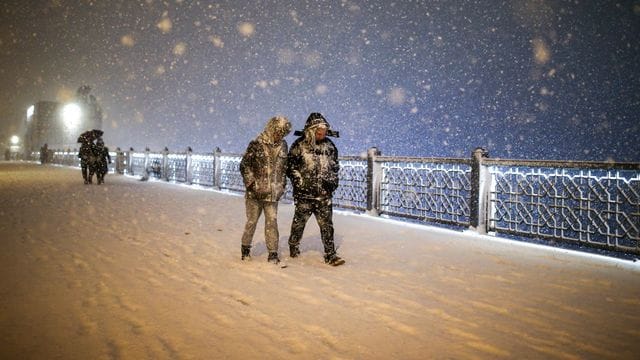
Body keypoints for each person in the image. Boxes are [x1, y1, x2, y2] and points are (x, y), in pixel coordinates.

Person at [287, 112, 345, 266]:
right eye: (319, 131)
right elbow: (291, 168)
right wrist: (299, 183)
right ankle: (293, 246)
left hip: (323, 195)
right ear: (311, 130)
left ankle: (330, 254)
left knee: (327, 226)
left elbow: (334, 168)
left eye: (324, 131)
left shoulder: (330, 146)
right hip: (304, 195)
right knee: (299, 224)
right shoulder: (299, 145)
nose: (322, 134)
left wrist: (331, 185)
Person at [239, 115, 292, 264]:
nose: (279, 136)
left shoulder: (283, 146)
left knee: (272, 222)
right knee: (252, 222)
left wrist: (281, 185)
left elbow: (284, 168)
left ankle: (273, 253)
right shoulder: (256, 144)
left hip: (273, 193)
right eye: (278, 132)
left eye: (282, 133)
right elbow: (244, 166)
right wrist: (251, 184)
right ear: (271, 129)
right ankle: (245, 249)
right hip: (254, 194)